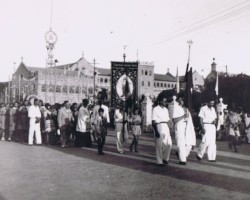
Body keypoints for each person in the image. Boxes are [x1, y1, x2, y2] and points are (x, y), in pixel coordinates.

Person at [172, 96, 196, 165]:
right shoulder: (176, 108)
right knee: (181, 143)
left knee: (189, 144)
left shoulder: (186, 109)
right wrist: (183, 116)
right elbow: (174, 120)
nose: (181, 101)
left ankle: (181, 154)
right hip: (179, 126)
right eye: (180, 100)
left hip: (187, 127)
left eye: (182, 100)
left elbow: (189, 119)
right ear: (178, 101)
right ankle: (182, 160)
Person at [152, 95, 172, 166]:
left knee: (169, 144)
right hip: (159, 125)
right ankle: (159, 161)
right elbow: (153, 121)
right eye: (164, 101)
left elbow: (168, 119)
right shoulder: (155, 109)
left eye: (166, 101)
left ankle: (165, 158)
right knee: (159, 145)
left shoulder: (166, 109)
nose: (166, 102)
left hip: (166, 126)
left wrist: (170, 126)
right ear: (160, 101)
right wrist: (156, 131)